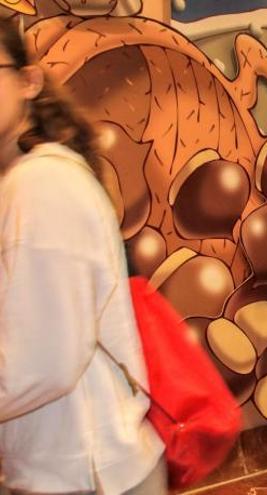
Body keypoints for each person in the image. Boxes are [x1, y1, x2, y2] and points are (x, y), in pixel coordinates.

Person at [0, 19, 166, 494]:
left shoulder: (40, 184)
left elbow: (41, 363)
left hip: (85, 474)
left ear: (28, 81)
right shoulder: (26, 182)